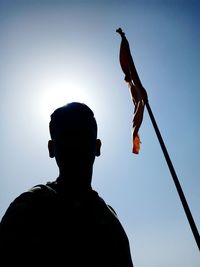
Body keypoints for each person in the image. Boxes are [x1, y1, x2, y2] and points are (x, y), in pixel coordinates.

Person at [0, 102, 134, 266]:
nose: (75, 144)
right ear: (51, 148)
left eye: (83, 136)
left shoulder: (109, 218)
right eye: (67, 137)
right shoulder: (30, 207)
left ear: (97, 147)